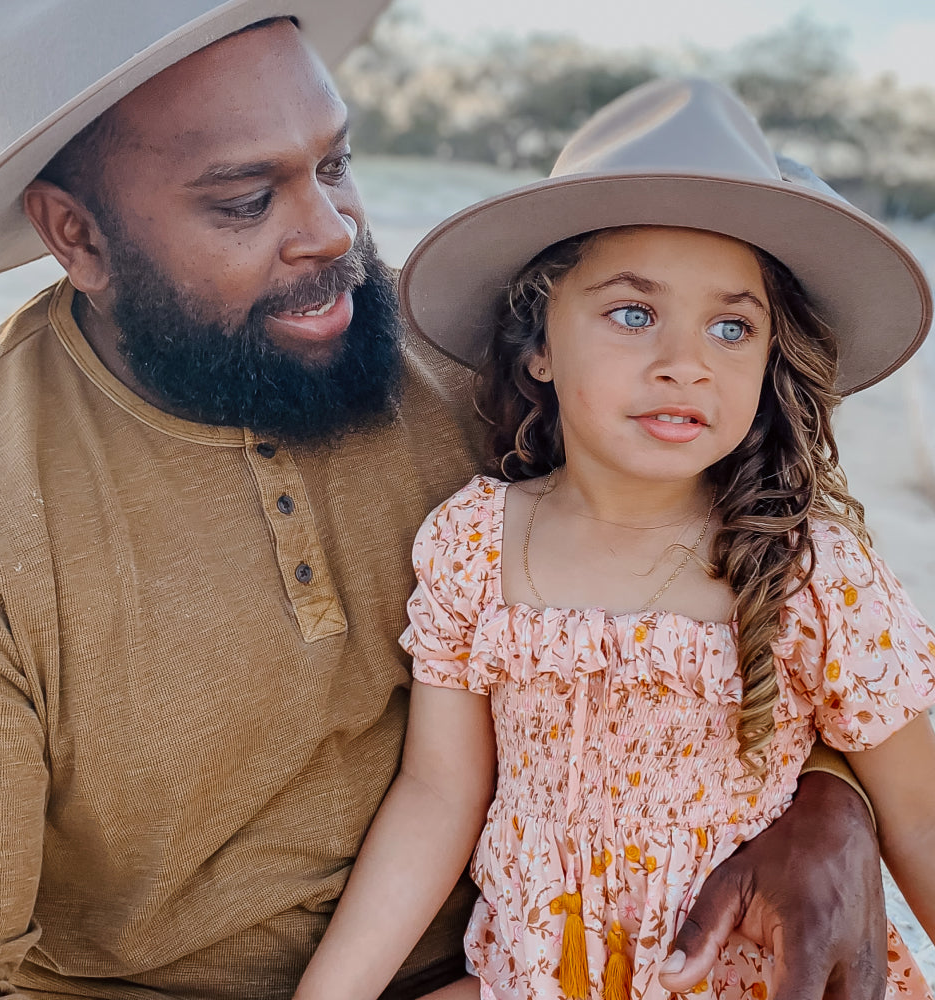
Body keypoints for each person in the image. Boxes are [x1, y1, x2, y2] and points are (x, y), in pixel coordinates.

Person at [0, 4, 898, 997]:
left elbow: (755, 600)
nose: (329, 232)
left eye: (336, 164)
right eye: (242, 200)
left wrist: (827, 797)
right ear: (75, 234)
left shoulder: (482, 365)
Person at [294, 77, 935, 1000]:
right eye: (633, 314)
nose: (685, 362)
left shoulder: (811, 569)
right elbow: (440, 794)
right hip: (534, 977)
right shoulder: (475, 542)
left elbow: (916, 815)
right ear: (540, 346)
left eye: (731, 326)